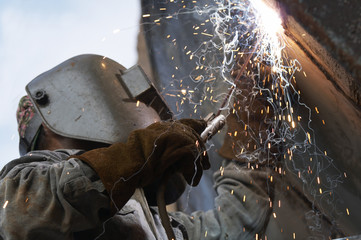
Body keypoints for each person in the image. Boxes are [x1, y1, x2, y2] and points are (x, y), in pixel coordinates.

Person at [0, 54, 273, 240]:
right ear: (49, 123)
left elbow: (235, 225)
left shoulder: (148, 219)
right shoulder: (21, 186)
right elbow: (20, 213)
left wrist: (250, 133)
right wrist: (138, 153)